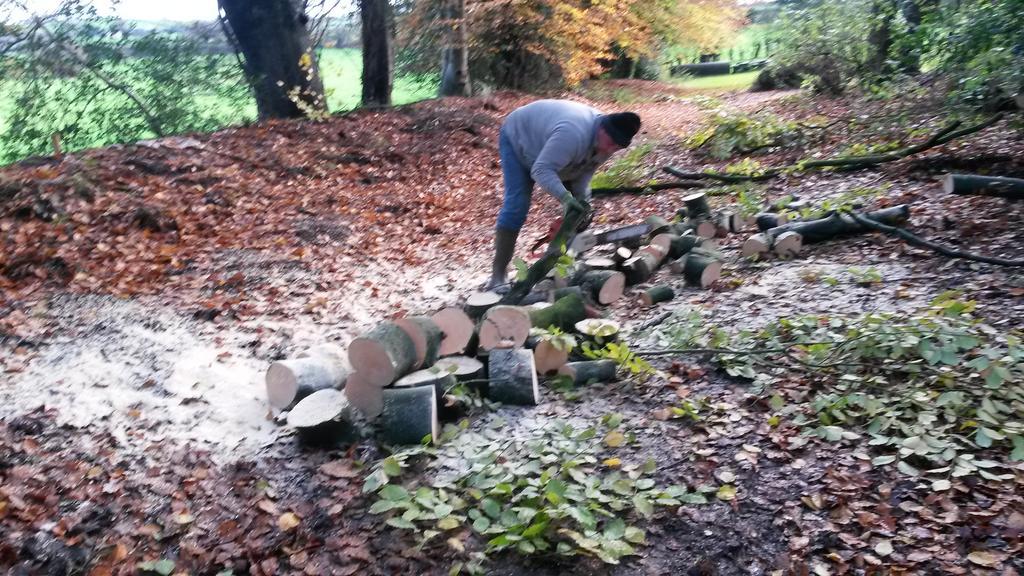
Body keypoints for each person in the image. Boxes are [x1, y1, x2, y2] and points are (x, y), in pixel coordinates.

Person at [487, 99, 641, 291]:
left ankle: (564, 261)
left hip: (549, 151)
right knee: (517, 205)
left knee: (579, 210)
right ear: (602, 128)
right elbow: (541, 170)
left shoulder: (608, 142)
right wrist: (566, 199)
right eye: (611, 143)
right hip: (518, 138)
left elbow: (584, 173)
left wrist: (583, 205)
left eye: (617, 147)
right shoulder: (573, 133)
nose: (611, 150)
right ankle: (497, 276)